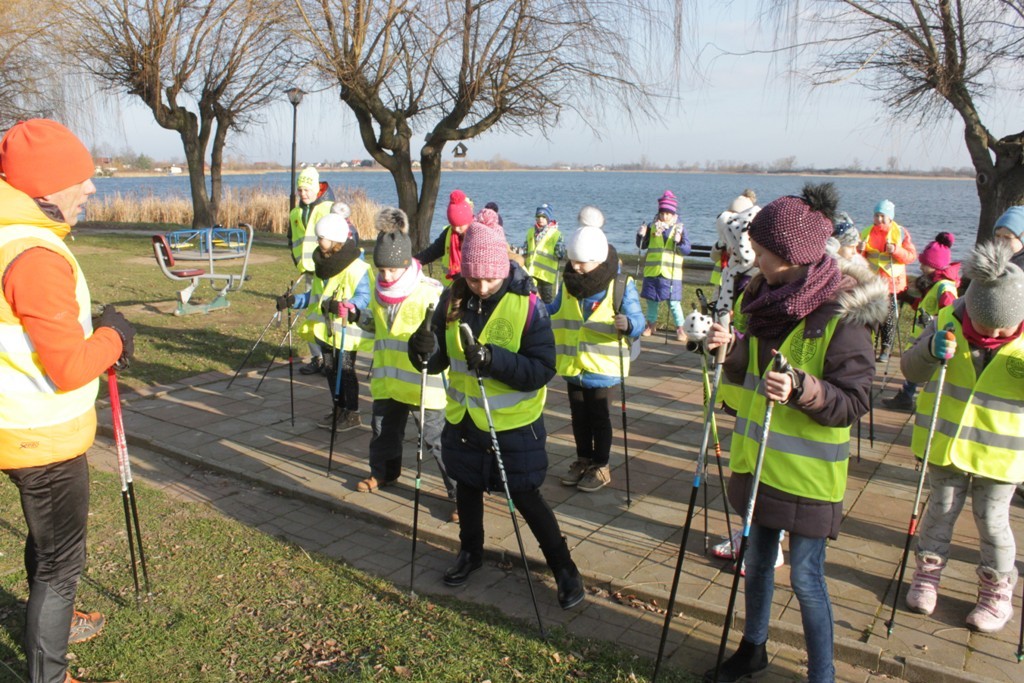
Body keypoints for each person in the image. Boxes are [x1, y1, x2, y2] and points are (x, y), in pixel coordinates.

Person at [704, 183, 888, 683]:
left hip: (808, 475)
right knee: (758, 562)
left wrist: (805, 388)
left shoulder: (841, 315)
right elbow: (754, 364)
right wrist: (730, 346)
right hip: (757, 459)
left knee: (807, 578)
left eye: (762, 255)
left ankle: (822, 673)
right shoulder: (762, 298)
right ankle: (753, 646)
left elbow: (854, 401)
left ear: (791, 258)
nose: (753, 262)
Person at [0, 119, 135, 683]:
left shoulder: (13, 236)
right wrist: (116, 336)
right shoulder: (35, 256)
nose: (91, 189)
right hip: (41, 434)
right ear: (45, 188)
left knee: (46, 540)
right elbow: (69, 366)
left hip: (21, 424)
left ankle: (58, 624)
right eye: (81, 179)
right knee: (61, 562)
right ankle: (48, 674)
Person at [407, 215, 585, 610]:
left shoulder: (528, 305)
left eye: (490, 279)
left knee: (526, 497)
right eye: (473, 279)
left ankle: (564, 567)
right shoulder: (452, 300)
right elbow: (436, 361)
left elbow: (542, 370)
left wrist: (493, 360)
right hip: (465, 420)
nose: (482, 287)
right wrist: (420, 350)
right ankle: (471, 552)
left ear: (503, 270)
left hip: (513, 426)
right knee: (467, 490)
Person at [898, 240, 1024, 633]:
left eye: (1006, 327)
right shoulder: (947, 321)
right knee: (941, 509)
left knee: (992, 521)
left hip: (999, 455)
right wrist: (930, 354)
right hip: (946, 444)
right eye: (988, 327)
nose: (997, 333)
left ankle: (997, 591)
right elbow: (911, 371)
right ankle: (927, 574)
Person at [356, 207, 456, 517]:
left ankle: (460, 493)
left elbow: (447, 335)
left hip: (425, 385)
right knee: (383, 431)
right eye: (381, 270)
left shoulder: (431, 292)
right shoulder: (377, 288)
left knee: (438, 443)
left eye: (391, 271)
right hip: (388, 381)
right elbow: (376, 325)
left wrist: (434, 343)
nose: (385, 276)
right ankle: (384, 471)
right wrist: (359, 317)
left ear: (405, 265)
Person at [549, 207, 644, 492]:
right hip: (573, 365)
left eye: (582, 264)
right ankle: (583, 459)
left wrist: (628, 324)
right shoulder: (568, 284)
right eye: (573, 261)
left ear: (598, 260)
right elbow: (553, 310)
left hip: (604, 369)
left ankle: (601, 465)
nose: (575, 268)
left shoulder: (620, 285)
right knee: (578, 417)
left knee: (599, 418)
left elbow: (638, 320)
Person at [278, 207, 371, 432]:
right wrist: (294, 301)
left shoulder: (356, 267)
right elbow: (315, 296)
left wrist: (347, 306)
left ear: (335, 239)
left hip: (346, 331)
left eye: (322, 238)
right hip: (326, 331)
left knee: (346, 371)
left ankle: (353, 412)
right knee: (330, 369)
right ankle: (338, 407)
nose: (318, 242)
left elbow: (364, 296)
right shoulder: (322, 263)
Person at [882, 232, 960, 412]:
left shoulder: (944, 287)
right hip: (924, 336)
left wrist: (933, 321)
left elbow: (948, 312)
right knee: (917, 367)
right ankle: (906, 396)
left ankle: (909, 398)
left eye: (925, 263)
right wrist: (909, 299)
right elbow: (926, 305)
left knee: (922, 368)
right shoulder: (934, 284)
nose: (921, 265)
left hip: (933, 336)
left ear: (935, 265)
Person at [289, 166, 335, 375]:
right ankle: (317, 357)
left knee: (329, 313)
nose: (303, 193)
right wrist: (297, 259)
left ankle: (331, 358)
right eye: (300, 190)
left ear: (316, 188)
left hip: (329, 269)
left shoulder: (329, 208)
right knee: (312, 313)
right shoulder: (296, 212)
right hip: (308, 269)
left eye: (307, 189)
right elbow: (292, 238)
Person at [860, 199, 917, 362]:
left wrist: (896, 250)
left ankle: (886, 348)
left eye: (882, 216)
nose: (878, 219)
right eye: (876, 215)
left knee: (889, 317)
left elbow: (911, 256)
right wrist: (860, 250)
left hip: (892, 282)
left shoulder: (901, 233)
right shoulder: (866, 232)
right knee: (871, 316)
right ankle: (869, 346)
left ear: (890, 218)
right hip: (872, 281)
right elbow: (858, 258)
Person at [636, 190, 691, 341]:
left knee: (673, 302)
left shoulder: (679, 228)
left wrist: (679, 242)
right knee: (652, 300)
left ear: (673, 214)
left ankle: (680, 328)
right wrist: (640, 235)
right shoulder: (652, 226)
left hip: (671, 272)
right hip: (653, 271)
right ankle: (651, 324)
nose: (665, 216)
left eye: (668, 213)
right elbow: (643, 245)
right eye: (662, 213)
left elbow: (687, 249)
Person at [415, 189, 474, 282]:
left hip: (473, 287)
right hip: (450, 287)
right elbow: (432, 252)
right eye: (454, 225)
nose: (457, 229)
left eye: (460, 225)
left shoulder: (478, 235)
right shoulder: (448, 233)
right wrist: (412, 262)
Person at [523, 203, 566, 304]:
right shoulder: (530, 232)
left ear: (548, 218)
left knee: (547, 299)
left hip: (546, 274)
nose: (540, 219)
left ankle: (547, 318)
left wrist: (559, 252)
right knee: (532, 299)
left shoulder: (556, 234)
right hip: (532, 272)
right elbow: (526, 249)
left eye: (543, 217)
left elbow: (560, 253)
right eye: (538, 216)